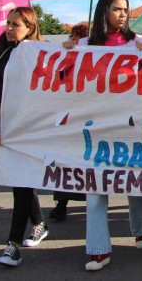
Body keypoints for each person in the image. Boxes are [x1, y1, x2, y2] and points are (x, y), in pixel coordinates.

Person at [61, 0, 142, 271]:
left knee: (136, 181)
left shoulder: (138, 44)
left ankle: (141, 230)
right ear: (104, 11)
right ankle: (98, 249)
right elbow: (62, 78)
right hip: (95, 128)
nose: (123, 14)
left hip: (130, 126)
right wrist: (66, 52)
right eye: (117, 9)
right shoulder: (84, 45)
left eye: (126, 9)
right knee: (95, 187)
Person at [0, 7, 47, 267]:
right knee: (22, 182)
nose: (8, 28)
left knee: (21, 184)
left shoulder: (42, 53)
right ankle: (39, 222)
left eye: (15, 24)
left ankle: (13, 245)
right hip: (5, 132)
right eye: (8, 23)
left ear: (30, 28)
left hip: (31, 131)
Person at [48, 23, 90, 221]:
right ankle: (61, 203)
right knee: (66, 162)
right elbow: (58, 79)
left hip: (89, 116)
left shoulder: (95, 58)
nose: (75, 41)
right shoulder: (67, 56)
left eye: (79, 38)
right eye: (73, 37)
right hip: (70, 117)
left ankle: (92, 200)